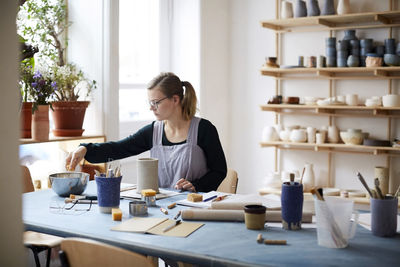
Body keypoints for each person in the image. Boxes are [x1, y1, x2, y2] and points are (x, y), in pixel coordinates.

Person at [66, 72, 227, 192]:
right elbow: (119, 148)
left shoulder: (204, 130)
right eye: (150, 102)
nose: (151, 108)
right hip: (163, 209)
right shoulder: (153, 132)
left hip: (196, 207)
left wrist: (196, 186)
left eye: (156, 102)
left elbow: (219, 171)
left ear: (175, 100)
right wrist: (85, 148)